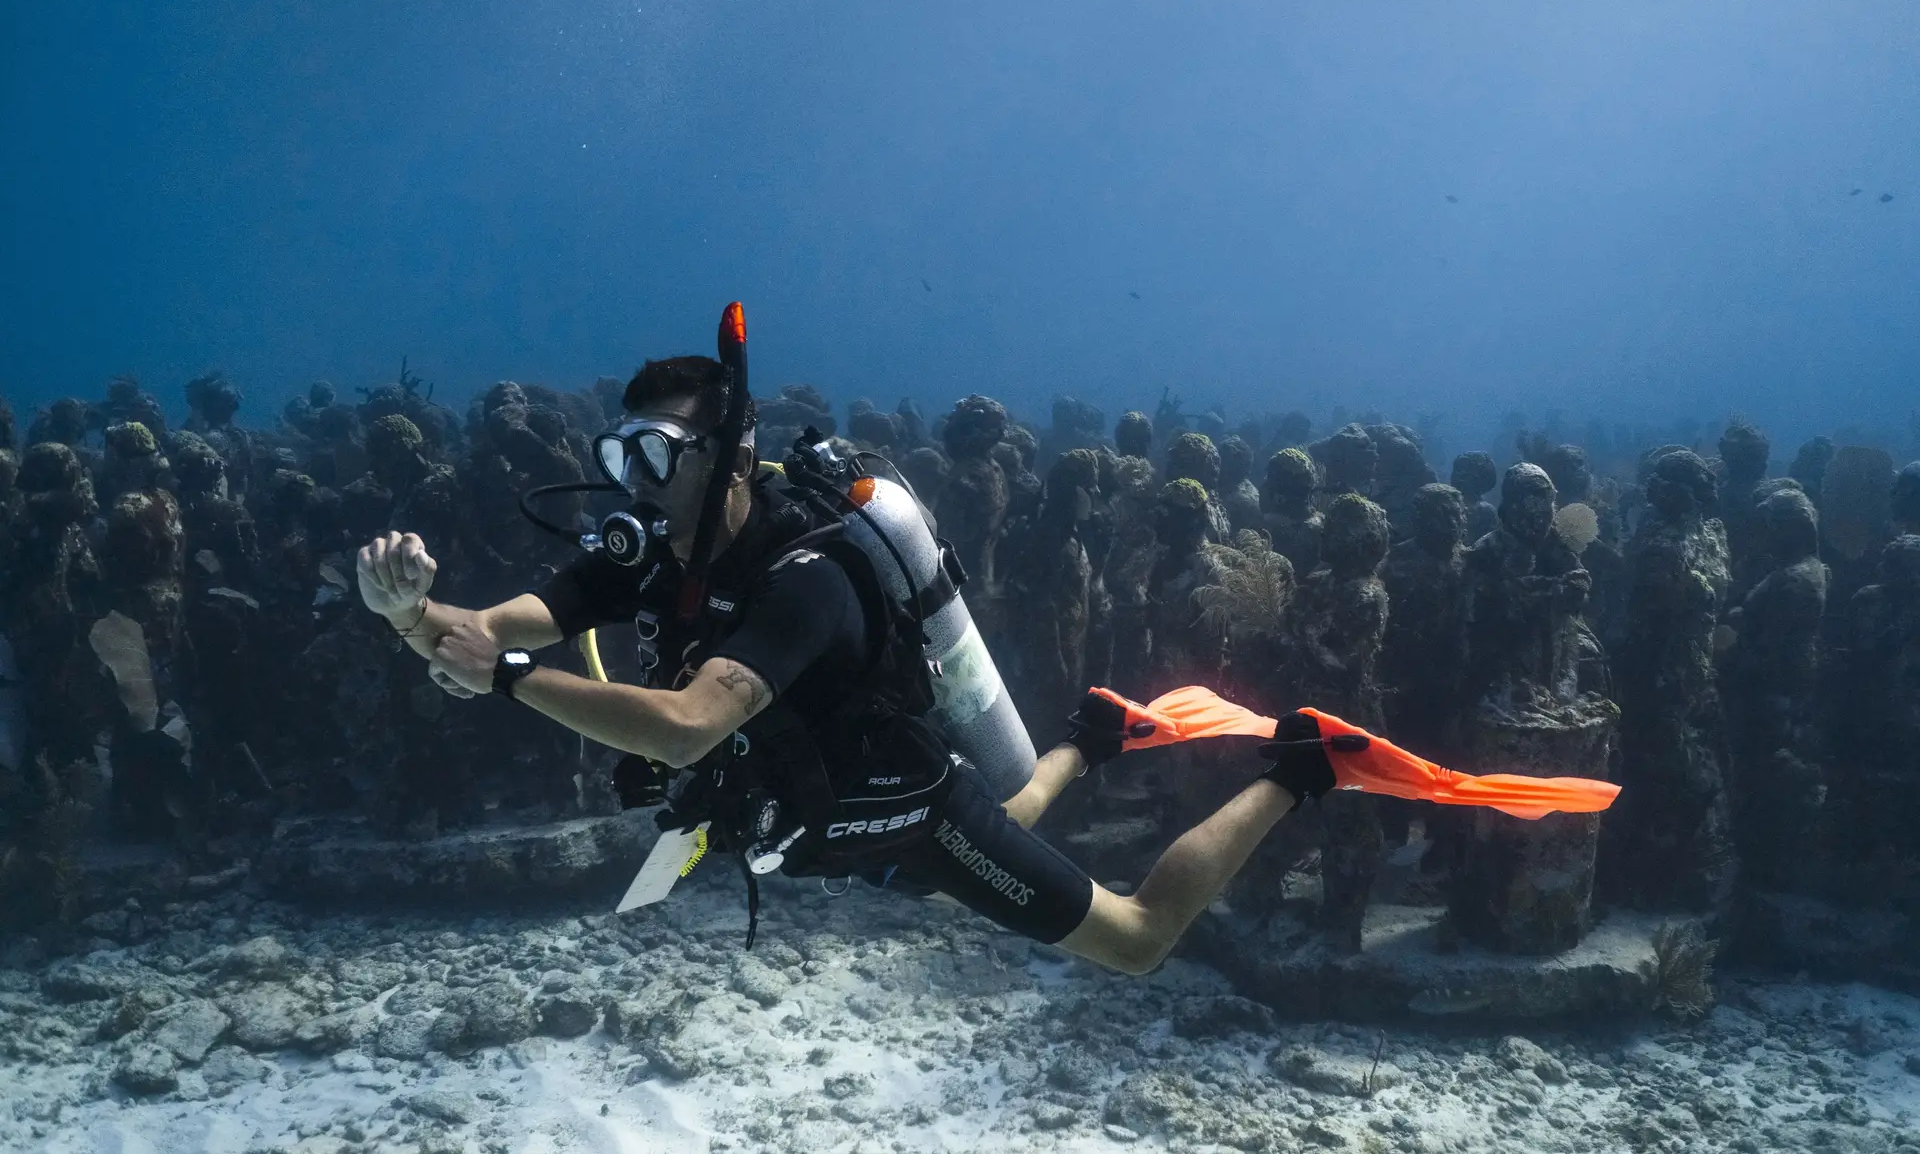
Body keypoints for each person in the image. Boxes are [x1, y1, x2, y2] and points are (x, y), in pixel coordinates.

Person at [357, 354, 1335, 974]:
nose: (635, 486)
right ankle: (1093, 733)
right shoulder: (649, 554)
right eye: (623, 459)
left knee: (1134, 939)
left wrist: (509, 675)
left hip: (904, 807)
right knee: (1005, 823)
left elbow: (689, 725)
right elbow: (491, 630)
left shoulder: (807, 580)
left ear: (734, 455)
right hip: (815, 823)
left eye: (656, 456)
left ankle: (1299, 768)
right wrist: (407, 610)